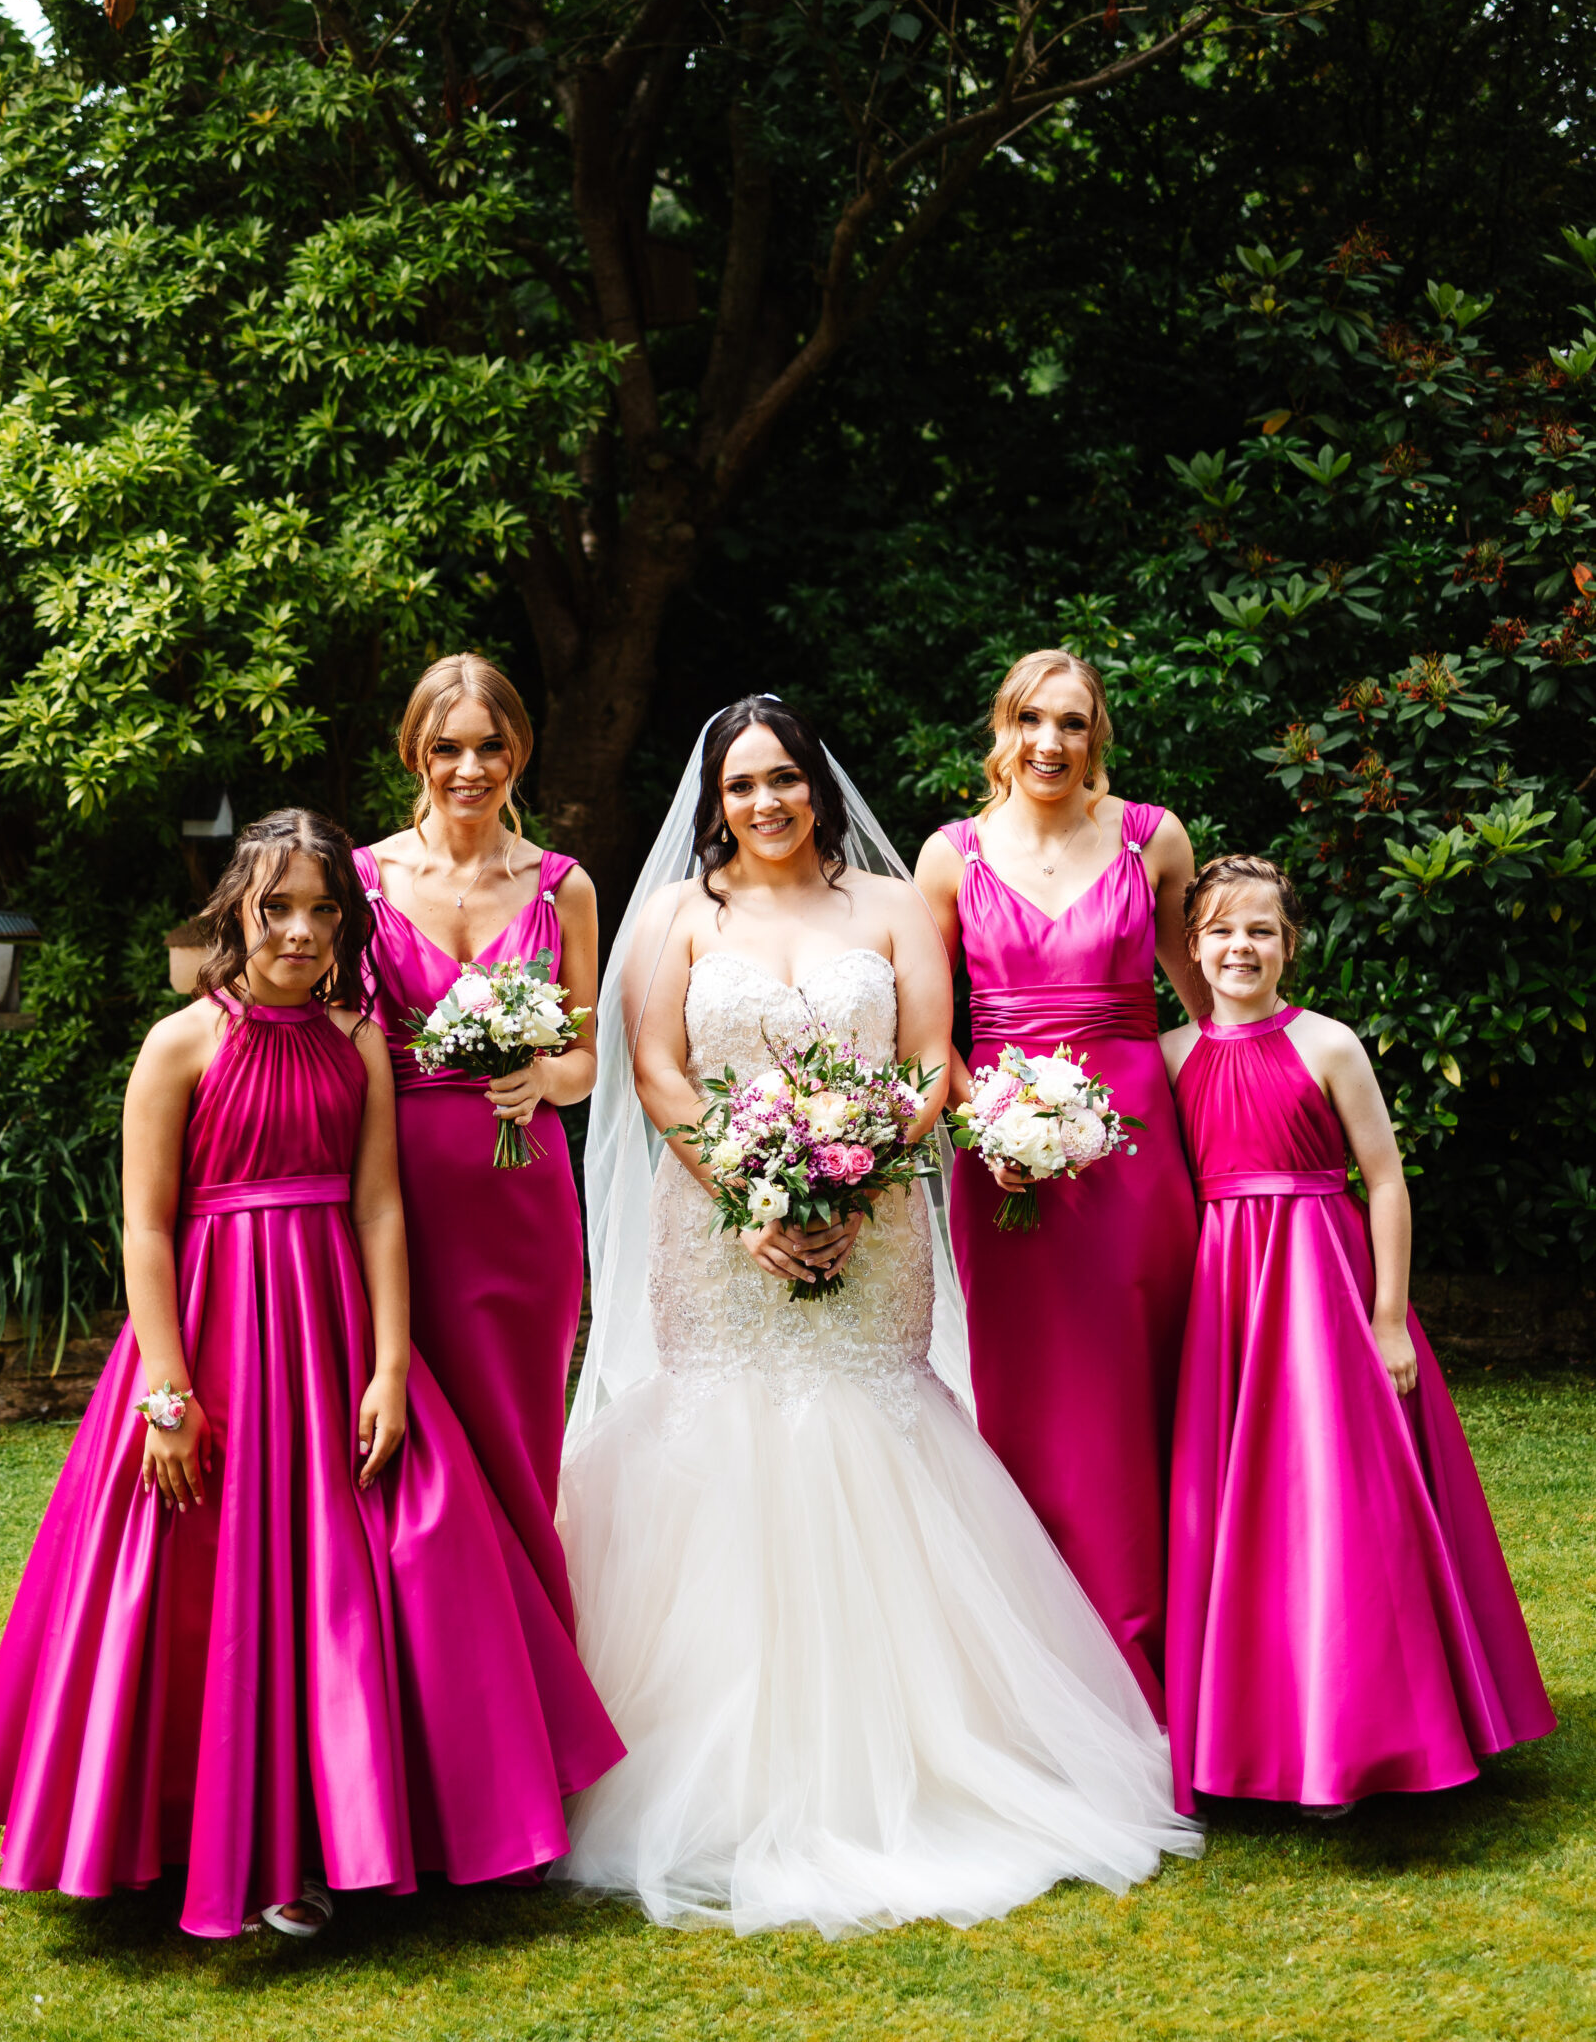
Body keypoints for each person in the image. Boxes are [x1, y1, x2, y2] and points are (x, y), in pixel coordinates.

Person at [553, 696, 1202, 1936]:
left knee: (874, 1434)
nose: (766, 805)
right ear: (716, 803)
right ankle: (720, 1770)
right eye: (742, 787)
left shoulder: (893, 905)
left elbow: (924, 1057)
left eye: (784, 780)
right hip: (720, 1232)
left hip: (878, 1216)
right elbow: (658, 1073)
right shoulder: (680, 918)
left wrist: (854, 1181)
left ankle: (927, 1757)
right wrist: (751, 1197)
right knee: (729, 1444)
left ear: (818, 787)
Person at [0, 809, 622, 1939]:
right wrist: (166, 1391)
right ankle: (197, 1837)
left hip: (330, 1328)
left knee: (360, 1581)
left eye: (322, 909)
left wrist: (395, 1362)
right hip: (212, 1331)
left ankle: (365, 1831)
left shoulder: (358, 1037)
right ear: (237, 913)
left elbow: (379, 1204)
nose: (302, 930)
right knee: (209, 1588)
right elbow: (146, 1228)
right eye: (278, 907)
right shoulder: (179, 1043)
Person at [1162, 854, 1555, 1815]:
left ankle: (1368, 1729)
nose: (1239, 947)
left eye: (1259, 930)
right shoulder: (1170, 1056)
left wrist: (1387, 1317)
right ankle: (1255, 1733)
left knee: (1339, 1499)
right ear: (1193, 948)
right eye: (1219, 930)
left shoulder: (1328, 1043)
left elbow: (1383, 1178)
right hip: (1227, 1297)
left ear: (1289, 944)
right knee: (1241, 1514)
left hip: (1323, 1284)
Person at [915, 650, 1206, 1716]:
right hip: (1009, 1176)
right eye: (1032, 719)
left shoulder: (1153, 838)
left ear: (1100, 735)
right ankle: (1052, 1674)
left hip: (1136, 1158)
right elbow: (926, 1032)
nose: (1051, 742)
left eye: (1073, 723)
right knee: (1033, 1402)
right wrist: (975, 1122)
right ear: (1003, 727)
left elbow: (1198, 991)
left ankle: (1177, 1665)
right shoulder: (949, 858)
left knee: (1148, 1391)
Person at [355, 653, 598, 1634]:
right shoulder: (363, 882)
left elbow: (587, 1060)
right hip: (397, 1196)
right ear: (414, 752)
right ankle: (430, 1682)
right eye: (447, 747)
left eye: (491, 746)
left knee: (518, 1450)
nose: (469, 767)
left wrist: (544, 1078)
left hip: (523, 1205)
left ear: (518, 753)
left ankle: (538, 1704)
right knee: (410, 1455)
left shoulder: (561, 886)